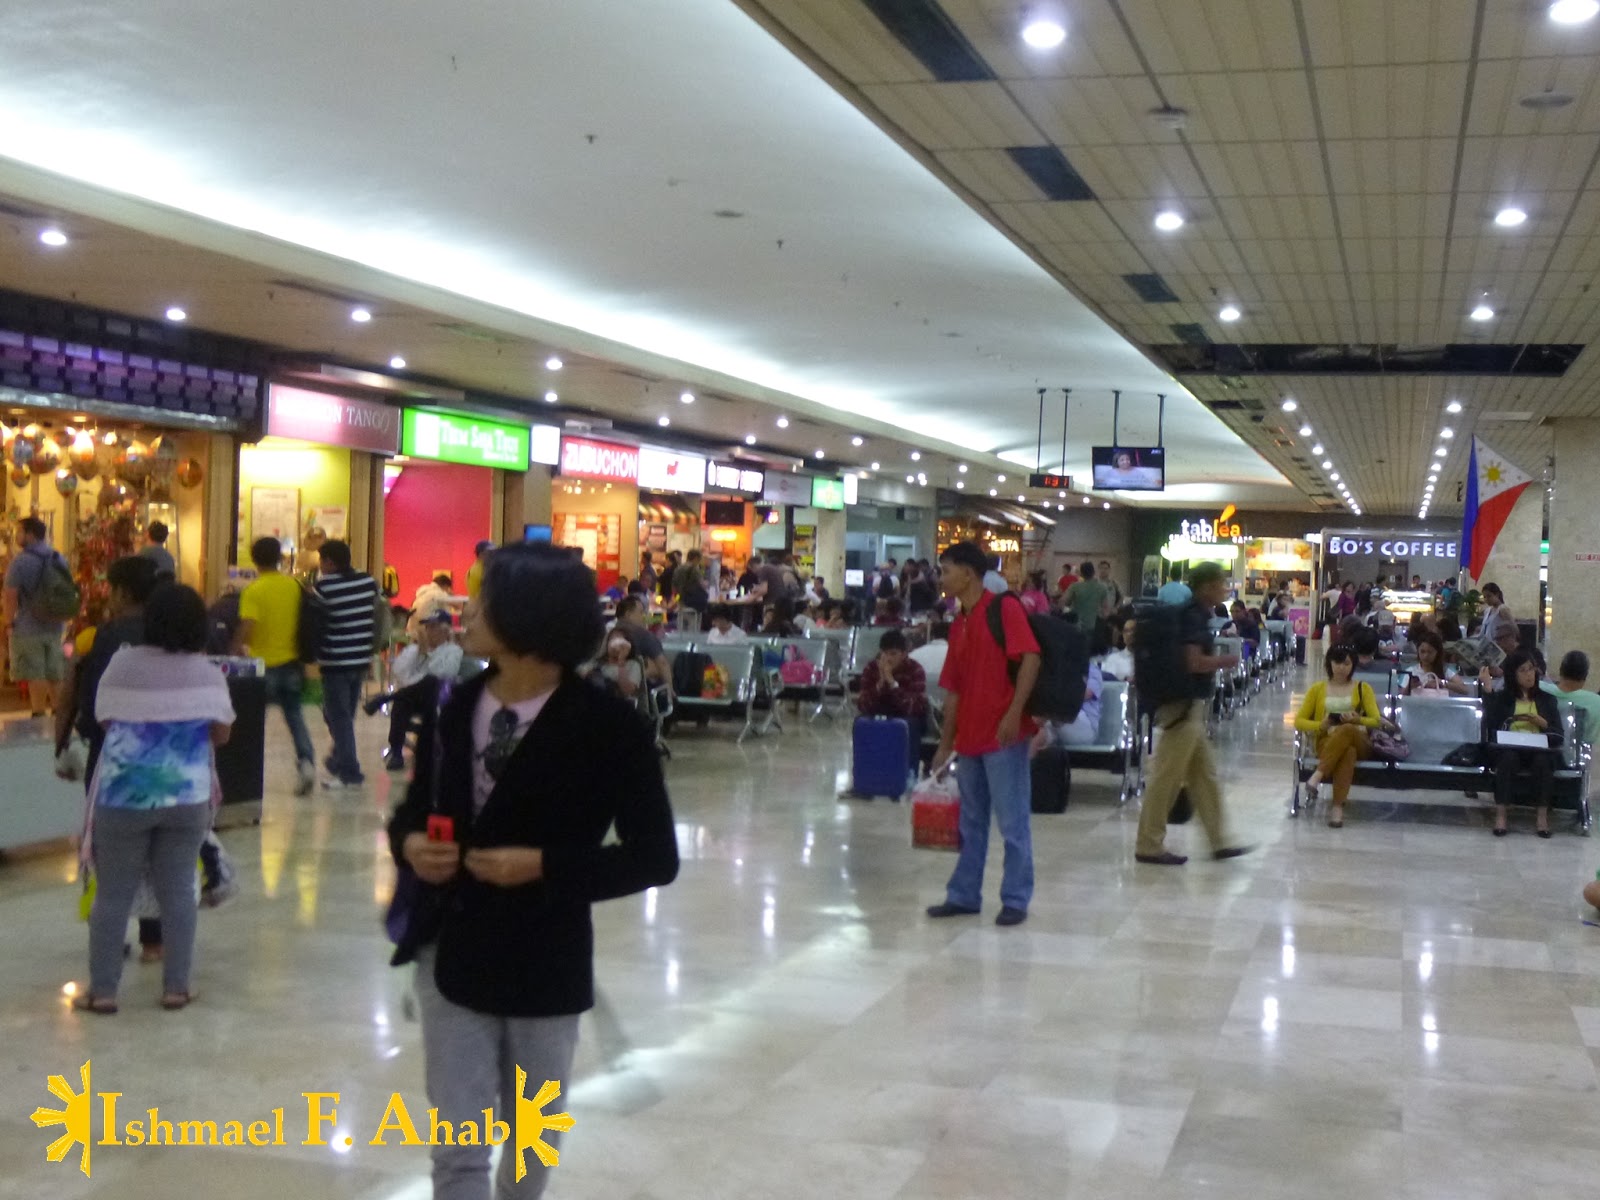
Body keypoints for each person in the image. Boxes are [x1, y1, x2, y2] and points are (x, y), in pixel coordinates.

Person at [387, 543, 678, 1198]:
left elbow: (655, 856)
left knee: (529, 1141)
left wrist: (545, 866)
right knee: (458, 1145)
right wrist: (409, 845)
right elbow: (410, 811)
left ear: (527, 614)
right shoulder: (455, 704)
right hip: (453, 948)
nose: (468, 610)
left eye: (484, 598)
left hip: (547, 955)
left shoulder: (608, 727)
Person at [73, 584, 234, 1014]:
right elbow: (221, 733)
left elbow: (104, 718)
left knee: (112, 894)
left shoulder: (122, 663)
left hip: (124, 794)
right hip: (186, 796)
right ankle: (176, 987)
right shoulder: (206, 672)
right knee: (180, 891)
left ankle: (103, 992)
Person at [926, 541, 1041, 927]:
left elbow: (1031, 658)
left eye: (946, 570)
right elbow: (954, 689)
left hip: (1004, 736)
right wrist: (946, 744)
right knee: (970, 822)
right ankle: (963, 895)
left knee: (1012, 822)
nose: (942, 578)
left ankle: (1015, 898)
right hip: (970, 739)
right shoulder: (958, 622)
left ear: (969, 573)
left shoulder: (1003, 608)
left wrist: (1014, 713)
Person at [1135, 562, 1252, 865]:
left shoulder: (1194, 614)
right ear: (1206, 587)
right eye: (1220, 583)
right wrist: (1227, 661)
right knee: (1167, 777)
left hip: (1189, 707)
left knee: (1205, 776)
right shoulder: (1192, 618)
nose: (1225, 588)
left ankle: (1219, 840)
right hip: (1182, 707)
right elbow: (1194, 662)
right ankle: (1149, 844)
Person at [233, 536, 318, 796]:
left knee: (250, 720)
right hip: (292, 663)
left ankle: (245, 773)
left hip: (262, 667)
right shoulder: (293, 586)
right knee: (294, 716)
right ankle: (306, 763)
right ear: (280, 558)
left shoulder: (253, 591)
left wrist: (235, 648)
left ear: (254, 559)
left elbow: (248, 626)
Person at [314, 539, 380, 791]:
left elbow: (318, 621)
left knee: (337, 716)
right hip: (361, 659)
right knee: (345, 715)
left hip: (335, 660)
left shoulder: (325, 586)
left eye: (322, 561)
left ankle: (350, 772)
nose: (321, 566)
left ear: (329, 562)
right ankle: (337, 758)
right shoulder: (367, 582)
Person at [1294, 645, 1382, 828]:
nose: (1342, 667)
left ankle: (1318, 774)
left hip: (1360, 741)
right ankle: (1337, 808)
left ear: (1353, 665)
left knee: (1348, 729)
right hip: (1328, 741)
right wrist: (1321, 725)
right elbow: (1299, 721)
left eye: (1347, 663)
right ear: (1329, 663)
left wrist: (1358, 720)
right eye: (1337, 662)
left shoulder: (1362, 688)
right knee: (1347, 753)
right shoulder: (1318, 689)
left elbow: (1376, 721)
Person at [1485, 649, 1563, 837]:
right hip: (1510, 747)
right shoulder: (1504, 699)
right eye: (1523, 670)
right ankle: (1501, 815)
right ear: (1513, 674)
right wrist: (1488, 692)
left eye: (1531, 669)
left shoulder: (1546, 699)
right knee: (1507, 759)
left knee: (1542, 762)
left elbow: (1559, 735)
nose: (1530, 674)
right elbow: (1491, 728)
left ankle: (1542, 817)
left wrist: (1543, 724)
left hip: (1540, 748)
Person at [3, 515, 71, 716]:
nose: (17, 536)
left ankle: (38, 712)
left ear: (30, 535)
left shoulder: (20, 562)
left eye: (19, 532)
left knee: (35, 672)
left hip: (28, 625)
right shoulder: (59, 558)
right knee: (54, 673)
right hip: (55, 625)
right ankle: (58, 712)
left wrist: (9, 623)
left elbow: (10, 596)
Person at [382, 611, 465, 771]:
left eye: (433, 627)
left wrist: (426, 655)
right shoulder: (414, 650)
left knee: (416, 690)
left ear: (445, 630)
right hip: (411, 697)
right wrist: (419, 655)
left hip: (437, 696)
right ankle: (397, 751)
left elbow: (444, 674)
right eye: (427, 627)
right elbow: (399, 672)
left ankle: (414, 737)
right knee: (401, 701)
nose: (428, 632)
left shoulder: (453, 651)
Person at [857, 628, 928, 755]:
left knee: (911, 724)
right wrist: (880, 684)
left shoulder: (915, 670)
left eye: (893, 654)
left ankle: (908, 770)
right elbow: (863, 705)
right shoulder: (872, 668)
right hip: (880, 712)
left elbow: (914, 708)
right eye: (885, 653)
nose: (888, 659)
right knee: (861, 722)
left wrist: (892, 683)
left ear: (904, 653)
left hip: (906, 716)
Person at [612, 597, 672, 693]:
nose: (644, 616)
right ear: (628, 615)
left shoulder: (607, 632)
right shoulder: (643, 635)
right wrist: (671, 691)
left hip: (610, 689)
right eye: (641, 612)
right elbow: (663, 663)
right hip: (640, 692)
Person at [1541, 650, 1600, 741]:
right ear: (1585, 675)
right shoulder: (1596, 702)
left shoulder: (1540, 688)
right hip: (1583, 753)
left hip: (1542, 751)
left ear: (1561, 670)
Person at [1403, 632, 1473, 697]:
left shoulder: (1445, 670)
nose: (1425, 656)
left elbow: (1465, 689)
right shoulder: (1410, 671)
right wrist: (1410, 686)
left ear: (1437, 653)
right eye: (1422, 651)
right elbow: (1401, 695)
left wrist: (1442, 683)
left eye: (1430, 652)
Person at [1062, 561, 1108, 635]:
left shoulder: (1075, 586)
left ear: (1081, 574)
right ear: (1093, 572)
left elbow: (1063, 601)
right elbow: (1105, 610)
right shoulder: (1102, 587)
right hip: (1093, 625)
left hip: (1076, 625)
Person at [408, 572, 458, 636]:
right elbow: (451, 613)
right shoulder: (439, 593)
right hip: (427, 633)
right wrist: (451, 596)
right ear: (446, 586)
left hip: (412, 630)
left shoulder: (422, 593)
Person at [1479, 582, 1520, 659]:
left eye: (1489, 596)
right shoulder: (1487, 610)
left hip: (1499, 648)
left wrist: (1503, 633)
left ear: (1497, 595)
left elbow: (1515, 629)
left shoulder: (1502, 609)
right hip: (1486, 648)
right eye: (1484, 597)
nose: (1487, 599)